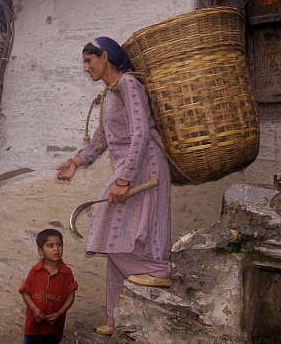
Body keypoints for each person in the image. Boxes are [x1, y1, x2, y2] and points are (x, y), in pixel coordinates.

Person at [55, 37, 172, 335]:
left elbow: (142, 134)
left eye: (88, 61)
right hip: (127, 167)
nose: (85, 68)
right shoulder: (110, 93)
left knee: (111, 228)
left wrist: (123, 179)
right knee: (119, 237)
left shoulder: (129, 85)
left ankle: (160, 272)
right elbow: (101, 138)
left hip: (146, 166)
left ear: (104, 56)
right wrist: (77, 162)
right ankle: (113, 319)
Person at [19, 228, 78, 344]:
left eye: (59, 245)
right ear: (41, 251)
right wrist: (34, 309)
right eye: (50, 246)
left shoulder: (66, 272)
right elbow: (25, 292)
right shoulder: (36, 271)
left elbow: (71, 296)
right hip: (34, 327)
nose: (56, 249)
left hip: (54, 328)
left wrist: (59, 313)